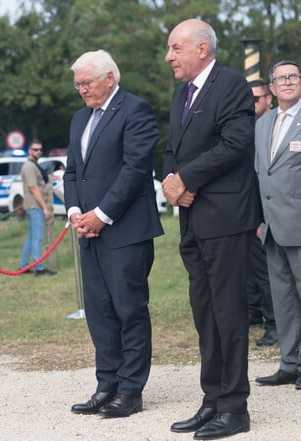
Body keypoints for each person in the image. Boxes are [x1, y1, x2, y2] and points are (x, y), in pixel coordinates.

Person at [162, 19, 260, 439]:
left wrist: (187, 178)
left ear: (202, 49)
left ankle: (235, 408)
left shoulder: (232, 84)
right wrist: (171, 182)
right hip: (192, 220)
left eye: (175, 48)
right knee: (205, 313)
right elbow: (171, 148)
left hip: (225, 219)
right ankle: (212, 400)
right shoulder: (181, 93)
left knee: (228, 312)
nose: (169, 57)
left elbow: (236, 143)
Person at [64, 50, 162, 418]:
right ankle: (106, 385)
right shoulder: (79, 119)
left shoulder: (135, 110)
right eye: (77, 85)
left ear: (109, 77)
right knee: (99, 312)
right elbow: (72, 171)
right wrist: (75, 212)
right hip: (88, 231)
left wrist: (102, 215)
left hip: (125, 230)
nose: (82, 91)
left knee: (129, 310)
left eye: (86, 83)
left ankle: (131, 390)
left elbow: (136, 170)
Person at [253, 60, 301, 390]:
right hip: (270, 226)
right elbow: (259, 173)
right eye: (280, 78)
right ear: (271, 88)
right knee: (282, 299)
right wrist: (258, 218)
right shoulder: (263, 123)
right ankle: (290, 362)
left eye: (293, 76)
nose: (287, 82)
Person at [247, 78, 277, 346]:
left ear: (269, 98)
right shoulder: (248, 127)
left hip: (269, 210)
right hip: (247, 208)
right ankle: (254, 312)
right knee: (250, 268)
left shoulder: (277, 128)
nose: (251, 103)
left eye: (256, 98)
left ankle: (274, 323)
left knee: (266, 271)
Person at [19, 140, 55, 276]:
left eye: (40, 149)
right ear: (29, 150)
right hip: (35, 206)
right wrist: (45, 208)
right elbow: (33, 188)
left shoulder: (34, 165)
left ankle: (23, 266)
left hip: (35, 205)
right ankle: (39, 268)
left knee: (32, 236)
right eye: (35, 149)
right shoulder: (29, 167)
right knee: (38, 237)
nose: (38, 151)